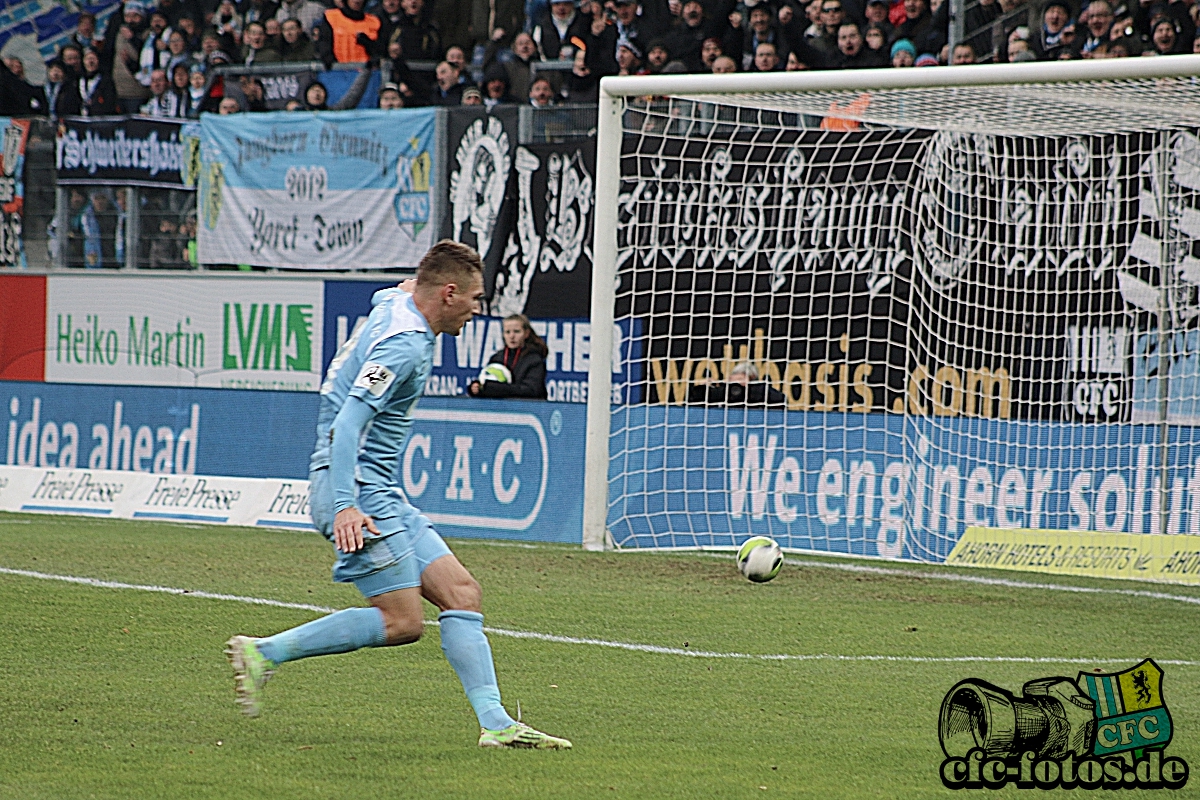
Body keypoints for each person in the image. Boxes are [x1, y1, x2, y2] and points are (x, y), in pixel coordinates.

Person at [224, 242, 572, 750]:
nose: (478, 310)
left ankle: (497, 725)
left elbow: (407, 286)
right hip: (356, 490)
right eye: (474, 299)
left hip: (382, 492)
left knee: (462, 594)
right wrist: (345, 504)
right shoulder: (404, 345)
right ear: (449, 294)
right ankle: (263, 652)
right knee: (403, 621)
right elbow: (346, 425)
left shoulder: (399, 302)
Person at [468, 314, 549, 398]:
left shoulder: (534, 360)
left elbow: (531, 390)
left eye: (517, 331)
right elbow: (488, 381)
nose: (512, 336)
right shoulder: (497, 357)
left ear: (526, 333)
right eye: (507, 332)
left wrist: (496, 388)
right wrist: (476, 388)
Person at [687, 362, 786, 406]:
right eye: (734, 381)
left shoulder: (762, 394)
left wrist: (749, 390)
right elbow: (692, 399)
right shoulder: (723, 392)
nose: (737, 389)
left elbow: (781, 399)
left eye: (741, 380)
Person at [317, 0, 381, 67]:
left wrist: (367, 42)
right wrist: (332, 64)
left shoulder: (374, 22)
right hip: (337, 71)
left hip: (365, 72)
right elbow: (324, 44)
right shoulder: (331, 18)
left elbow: (379, 51)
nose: (357, 1)